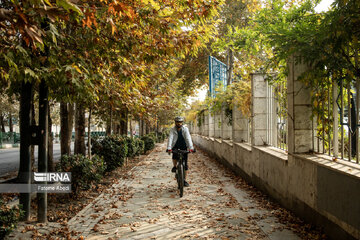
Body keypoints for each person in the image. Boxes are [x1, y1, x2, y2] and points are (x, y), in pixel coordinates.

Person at [166, 116, 195, 187]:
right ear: (175, 122)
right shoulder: (172, 129)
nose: (179, 123)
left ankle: (184, 180)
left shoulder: (185, 129)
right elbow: (170, 138)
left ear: (182, 123)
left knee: (185, 165)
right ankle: (175, 166)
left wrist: (191, 148)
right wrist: (169, 148)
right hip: (175, 146)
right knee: (174, 157)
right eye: (177, 122)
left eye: (180, 122)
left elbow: (188, 138)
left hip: (184, 147)